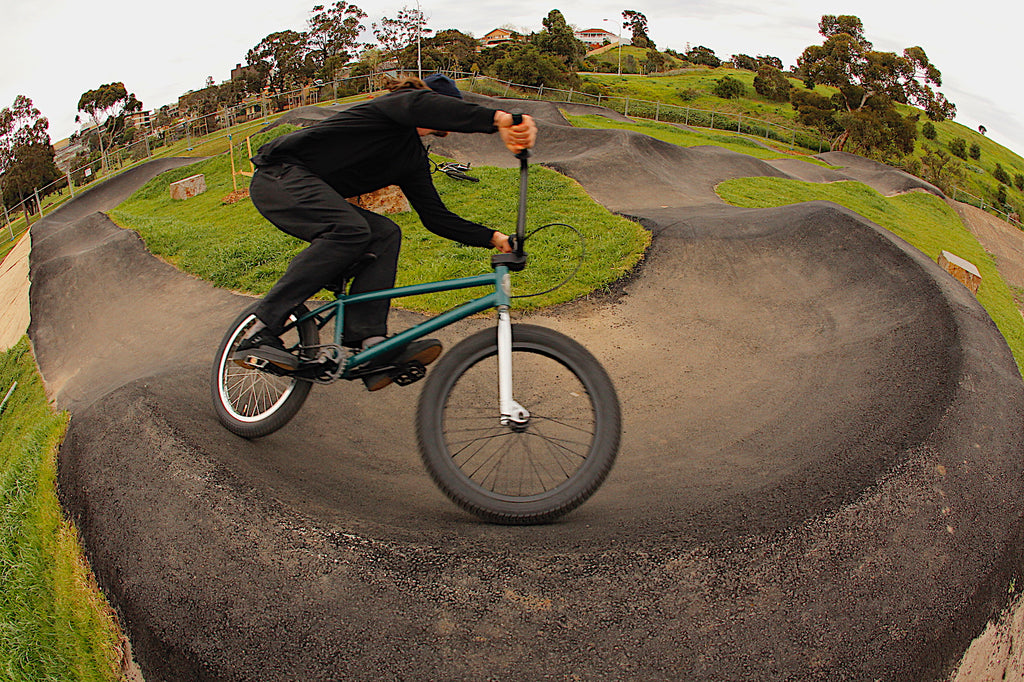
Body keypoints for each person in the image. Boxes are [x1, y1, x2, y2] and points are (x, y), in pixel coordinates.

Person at [233, 74, 537, 391]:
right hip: (279, 176)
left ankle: (371, 346)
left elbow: (436, 218)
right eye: (445, 107)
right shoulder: (391, 109)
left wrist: (494, 238)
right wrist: (500, 118)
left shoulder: (412, 158)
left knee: (385, 233)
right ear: (435, 105)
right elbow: (419, 103)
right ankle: (263, 327)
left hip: (312, 191)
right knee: (351, 230)